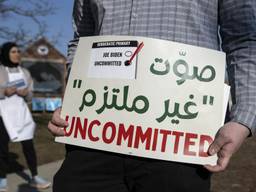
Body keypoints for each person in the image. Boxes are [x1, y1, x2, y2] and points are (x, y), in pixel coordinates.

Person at [48, 0, 256, 191]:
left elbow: (244, 39)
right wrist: (74, 100)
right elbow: (82, 40)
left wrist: (244, 118)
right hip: (95, 134)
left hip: (179, 141)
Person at [0, 42, 51, 191]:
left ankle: (34, 177)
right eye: (13, 51)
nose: (17, 54)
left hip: (21, 113)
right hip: (3, 114)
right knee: (2, 148)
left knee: (29, 146)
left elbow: (30, 96)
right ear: (5, 54)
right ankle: (2, 178)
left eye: (18, 51)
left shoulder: (25, 72)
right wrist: (4, 92)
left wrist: (26, 93)